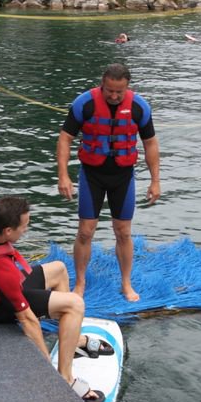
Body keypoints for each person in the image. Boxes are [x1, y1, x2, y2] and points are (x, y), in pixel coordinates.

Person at [0, 195, 114, 402]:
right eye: (24, 226)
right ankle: (64, 379)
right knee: (75, 304)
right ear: (8, 231)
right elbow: (28, 320)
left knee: (60, 269)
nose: (26, 229)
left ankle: (74, 340)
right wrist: (45, 369)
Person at [56, 63, 161, 302]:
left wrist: (155, 181)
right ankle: (80, 282)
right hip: (92, 174)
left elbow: (151, 143)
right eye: (109, 91)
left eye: (119, 92)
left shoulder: (138, 106)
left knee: (123, 232)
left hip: (122, 176)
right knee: (85, 231)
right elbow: (65, 138)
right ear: (102, 84)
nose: (114, 96)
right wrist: (63, 175)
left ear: (127, 87)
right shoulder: (85, 103)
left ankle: (126, 283)